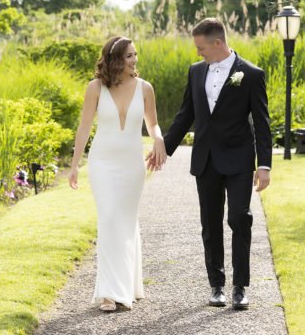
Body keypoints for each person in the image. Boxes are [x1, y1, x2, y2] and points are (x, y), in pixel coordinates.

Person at [154, 18, 271, 310]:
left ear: (217, 43)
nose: (198, 53)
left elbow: (262, 122)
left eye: (201, 47)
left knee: (239, 218)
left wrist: (264, 165)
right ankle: (216, 285)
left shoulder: (251, 74)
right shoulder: (195, 72)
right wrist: (164, 148)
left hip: (239, 158)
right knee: (210, 223)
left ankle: (240, 287)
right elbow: (185, 114)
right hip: (206, 160)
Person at [68, 36, 166, 312]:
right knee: (109, 218)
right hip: (102, 163)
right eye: (128, 56)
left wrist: (159, 139)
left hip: (132, 165)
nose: (134, 60)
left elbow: (153, 124)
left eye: (135, 55)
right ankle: (109, 293)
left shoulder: (145, 88)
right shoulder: (95, 88)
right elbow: (84, 127)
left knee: (126, 220)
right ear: (115, 60)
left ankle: (129, 285)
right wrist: (74, 165)